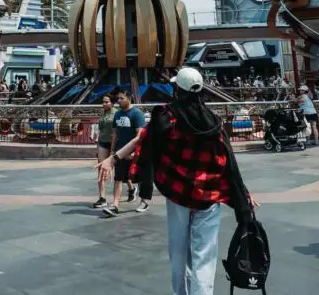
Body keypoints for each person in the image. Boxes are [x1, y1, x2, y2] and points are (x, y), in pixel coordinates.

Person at [97, 67, 255, 295]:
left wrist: (113, 159)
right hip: (208, 197)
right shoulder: (213, 121)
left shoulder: (167, 117)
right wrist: (243, 195)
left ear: (177, 89)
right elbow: (229, 161)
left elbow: (142, 139)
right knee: (204, 258)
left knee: (178, 253)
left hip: (178, 194)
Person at [102, 91, 145, 216]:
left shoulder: (137, 114)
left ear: (129, 98)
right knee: (118, 178)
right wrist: (112, 152)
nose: (118, 101)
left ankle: (144, 201)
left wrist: (134, 152)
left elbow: (139, 135)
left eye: (121, 98)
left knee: (139, 178)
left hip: (133, 153)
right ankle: (115, 205)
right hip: (120, 152)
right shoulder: (118, 114)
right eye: (118, 98)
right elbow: (115, 134)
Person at [92, 95, 115, 208]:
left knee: (120, 171)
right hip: (102, 142)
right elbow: (100, 129)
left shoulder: (117, 113)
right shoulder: (103, 114)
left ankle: (131, 188)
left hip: (114, 144)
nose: (104, 104)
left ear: (112, 103)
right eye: (103, 102)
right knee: (101, 169)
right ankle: (102, 198)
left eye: (106, 102)